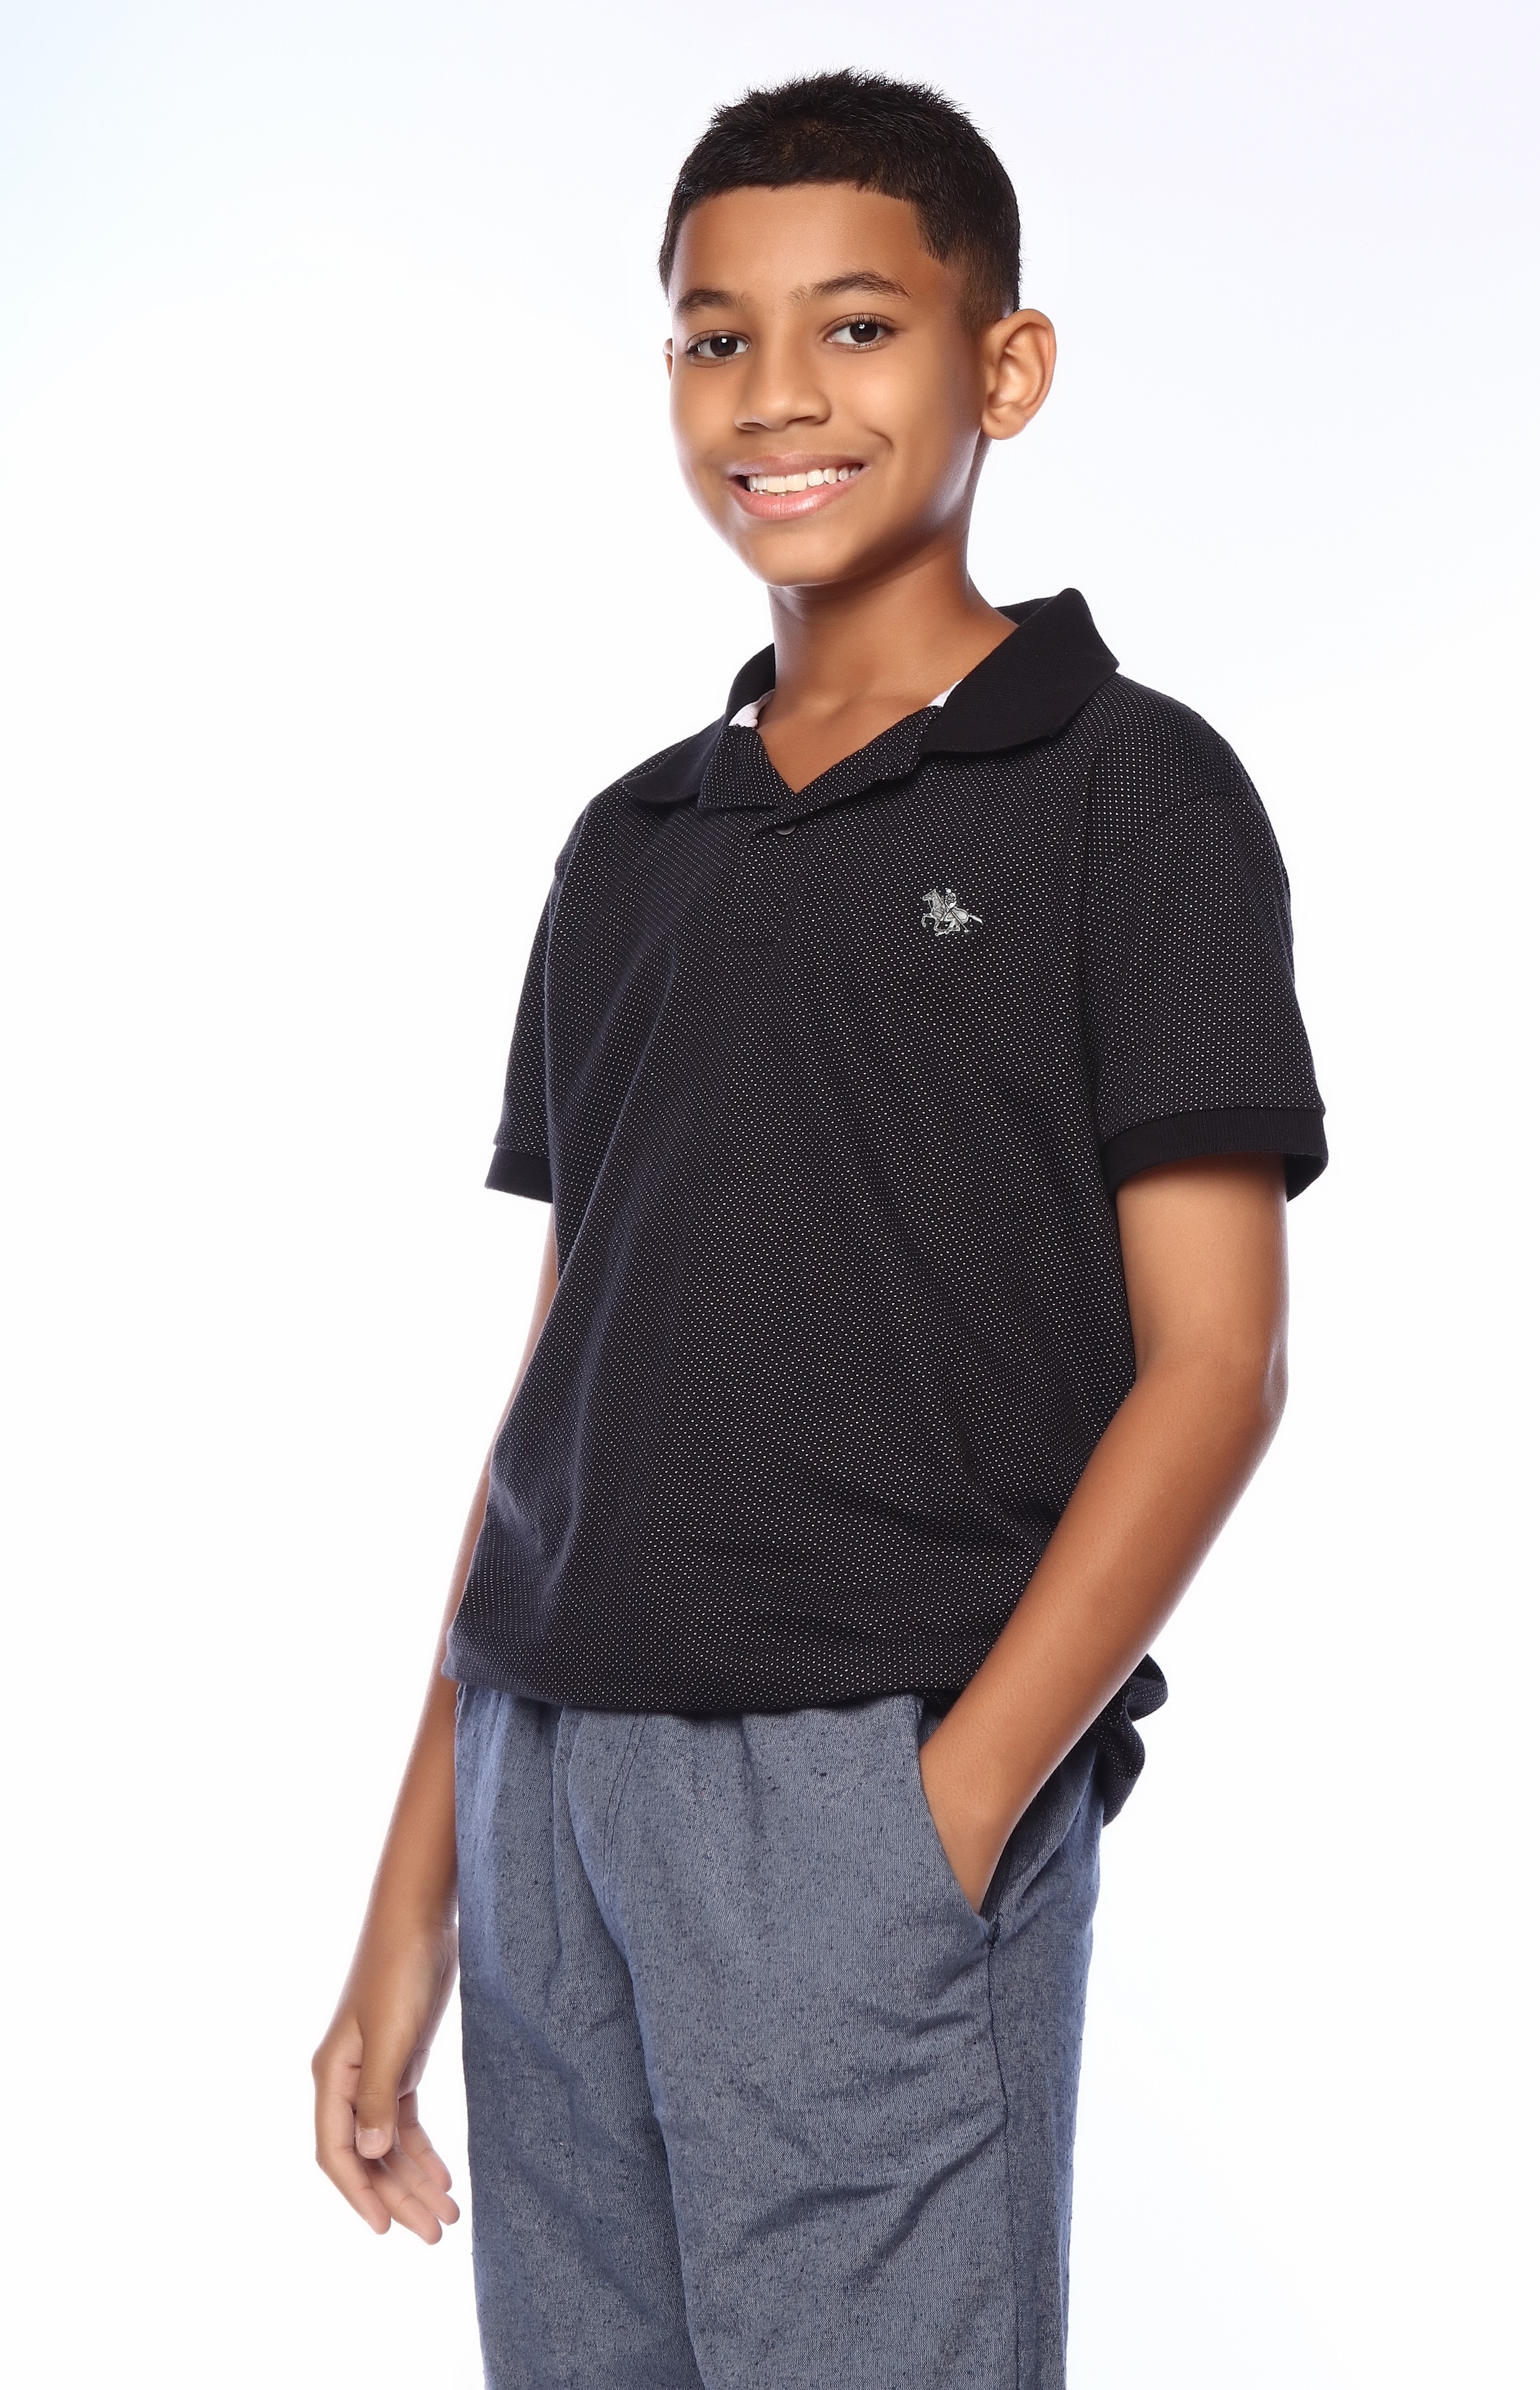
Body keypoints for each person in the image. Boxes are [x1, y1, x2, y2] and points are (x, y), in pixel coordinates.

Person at [313, 68, 1327, 2390]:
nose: (775, 394)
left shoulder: (1125, 792)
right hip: (548, 1781)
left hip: (860, 1781)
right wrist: (414, 1905)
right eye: (714, 338)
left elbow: (1216, 1365)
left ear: (1003, 367)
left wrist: (944, 1814)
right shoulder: (630, 845)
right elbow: (559, 1398)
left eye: (854, 328)